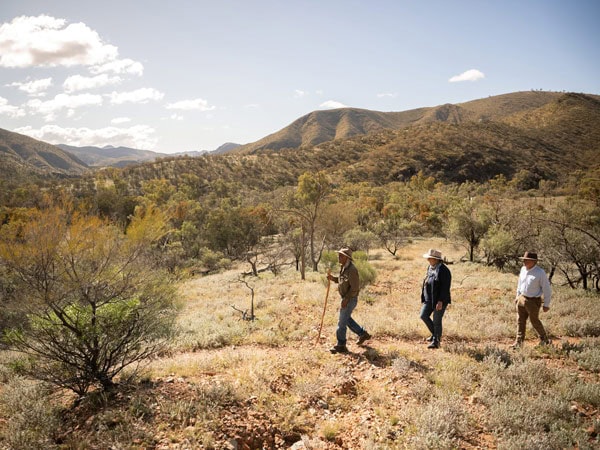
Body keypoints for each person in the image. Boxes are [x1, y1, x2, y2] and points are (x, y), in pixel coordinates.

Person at [327, 247, 371, 353]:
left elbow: (355, 288)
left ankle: (341, 344)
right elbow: (342, 280)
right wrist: (333, 278)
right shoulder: (344, 267)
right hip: (346, 298)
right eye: (339, 255)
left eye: (341, 256)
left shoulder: (352, 270)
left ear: (346, 258)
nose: (339, 257)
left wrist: (346, 299)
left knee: (341, 322)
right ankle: (362, 334)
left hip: (350, 299)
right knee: (346, 319)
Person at [512, 251, 552, 348]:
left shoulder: (540, 273)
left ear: (534, 261)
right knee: (520, 321)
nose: (524, 262)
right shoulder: (523, 269)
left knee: (534, 321)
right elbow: (520, 284)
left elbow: (547, 289)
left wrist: (546, 304)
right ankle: (519, 343)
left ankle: (544, 340)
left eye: (527, 260)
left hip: (533, 301)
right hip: (522, 298)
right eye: (524, 260)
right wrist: (517, 296)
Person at [420, 249, 452, 349]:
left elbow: (445, 288)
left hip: (439, 300)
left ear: (436, 259)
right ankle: (435, 335)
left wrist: (440, 301)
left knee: (437, 320)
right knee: (423, 315)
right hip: (429, 299)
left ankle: (436, 341)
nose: (428, 259)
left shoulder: (443, 270)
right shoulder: (430, 267)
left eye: (430, 258)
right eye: (428, 258)